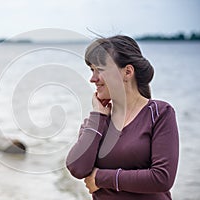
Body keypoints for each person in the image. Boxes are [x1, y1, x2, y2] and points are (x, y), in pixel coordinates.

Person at [66, 35, 179, 200]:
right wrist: (98, 116)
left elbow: (162, 178)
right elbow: (77, 168)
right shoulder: (95, 124)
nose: (93, 79)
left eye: (100, 69)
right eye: (92, 70)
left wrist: (101, 178)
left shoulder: (160, 113)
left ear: (127, 72)